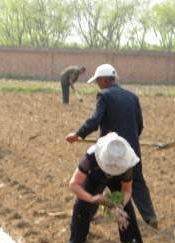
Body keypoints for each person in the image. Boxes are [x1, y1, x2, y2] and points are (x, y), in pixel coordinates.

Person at [66, 64, 158, 228]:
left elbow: (95, 120)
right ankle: (150, 217)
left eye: (97, 81)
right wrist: (130, 142)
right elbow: (140, 125)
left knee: (98, 182)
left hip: (108, 152)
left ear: (103, 80)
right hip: (131, 151)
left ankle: (87, 214)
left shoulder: (104, 95)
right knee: (137, 182)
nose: (97, 84)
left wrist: (78, 134)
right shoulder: (132, 96)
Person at [69, 132, 144, 243]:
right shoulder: (91, 157)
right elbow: (73, 184)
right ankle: (77, 242)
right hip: (94, 176)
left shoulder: (126, 164)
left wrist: (119, 205)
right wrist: (92, 199)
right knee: (81, 204)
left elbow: (127, 191)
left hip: (117, 180)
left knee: (126, 209)